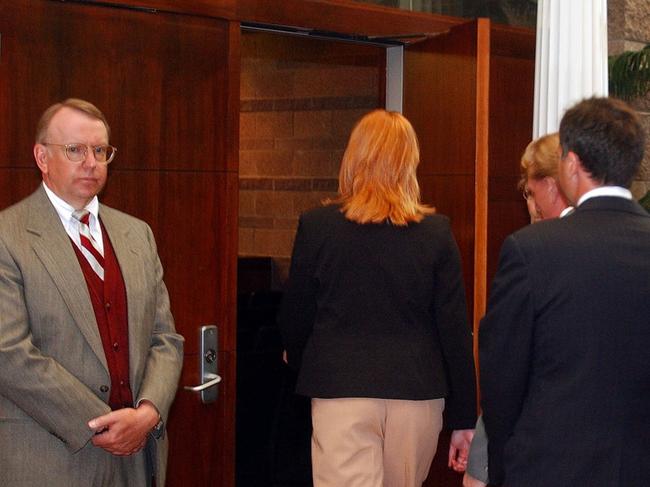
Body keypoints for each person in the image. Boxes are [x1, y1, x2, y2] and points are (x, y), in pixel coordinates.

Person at [279, 109, 477, 487]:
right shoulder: (436, 232)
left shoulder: (318, 227)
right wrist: (464, 418)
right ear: (410, 164)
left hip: (340, 390)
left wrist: (303, 360)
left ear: (354, 158)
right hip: (417, 396)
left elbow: (295, 316)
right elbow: (455, 331)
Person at [0, 99, 184, 486]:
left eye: (100, 151)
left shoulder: (137, 234)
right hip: (49, 458)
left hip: (137, 458)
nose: (91, 162)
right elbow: (9, 353)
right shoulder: (8, 236)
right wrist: (101, 425)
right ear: (41, 157)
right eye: (75, 150)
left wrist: (148, 412)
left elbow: (165, 338)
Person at [479, 96, 650, 486]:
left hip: (548, 466)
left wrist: (507, 461)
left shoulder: (532, 250)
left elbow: (501, 375)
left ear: (571, 164)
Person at [459, 132, 571, 487]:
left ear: (549, 186)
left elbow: (502, 357)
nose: (528, 202)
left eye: (528, 191)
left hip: (524, 415)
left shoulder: (527, 250)